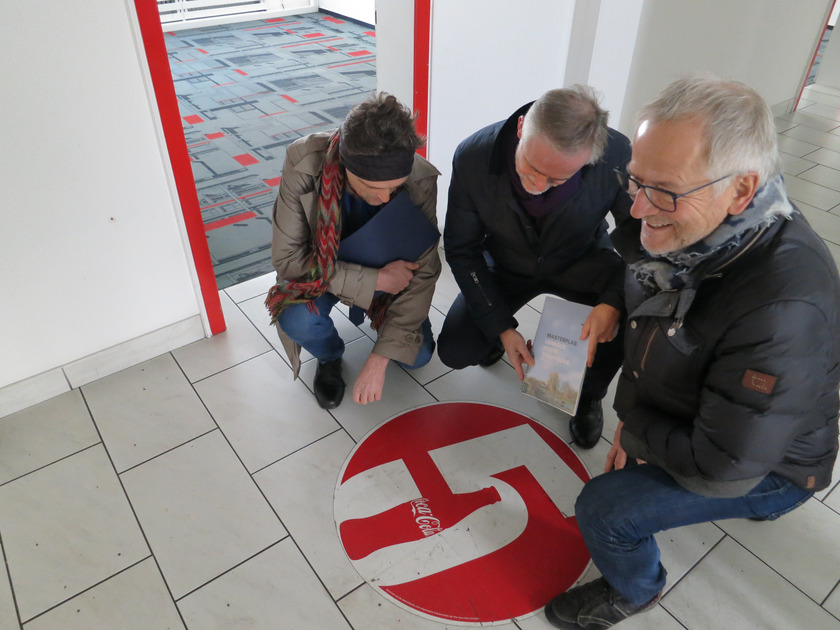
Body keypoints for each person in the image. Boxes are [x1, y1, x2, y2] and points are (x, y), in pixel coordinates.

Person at [545, 76, 840, 629]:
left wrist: (635, 433)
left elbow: (722, 464)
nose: (635, 209)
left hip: (768, 468)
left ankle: (635, 590)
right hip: (721, 423)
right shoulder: (691, 230)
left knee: (604, 510)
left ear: (741, 190)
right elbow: (652, 304)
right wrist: (614, 303)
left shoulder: (783, 307)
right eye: (634, 181)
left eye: (663, 190)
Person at [440, 86, 636, 449]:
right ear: (520, 128)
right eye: (531, 167)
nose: (537, 185)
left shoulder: (617, 155)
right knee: (455, 349)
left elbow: (644, 245)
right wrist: (501, 327)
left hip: (582, 258)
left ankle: (589, 395)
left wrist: (613, 301)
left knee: (619, 320)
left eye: (557, 180)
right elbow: (461, 249)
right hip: (505, 261)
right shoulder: (473, 157)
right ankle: (495, 343)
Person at [266, 93, 441, 409]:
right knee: (296, 319)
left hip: (389, 275)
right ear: (346, 165)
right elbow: (288, 259)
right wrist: (374, 281)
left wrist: (379, 358)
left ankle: (384, 333)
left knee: (419, 356)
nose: (386, 198)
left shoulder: (420, 179)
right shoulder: (303, 164)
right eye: (374, 188)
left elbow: (425, 271)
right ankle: (330, 356)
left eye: (394, 187)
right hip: (324, 274)